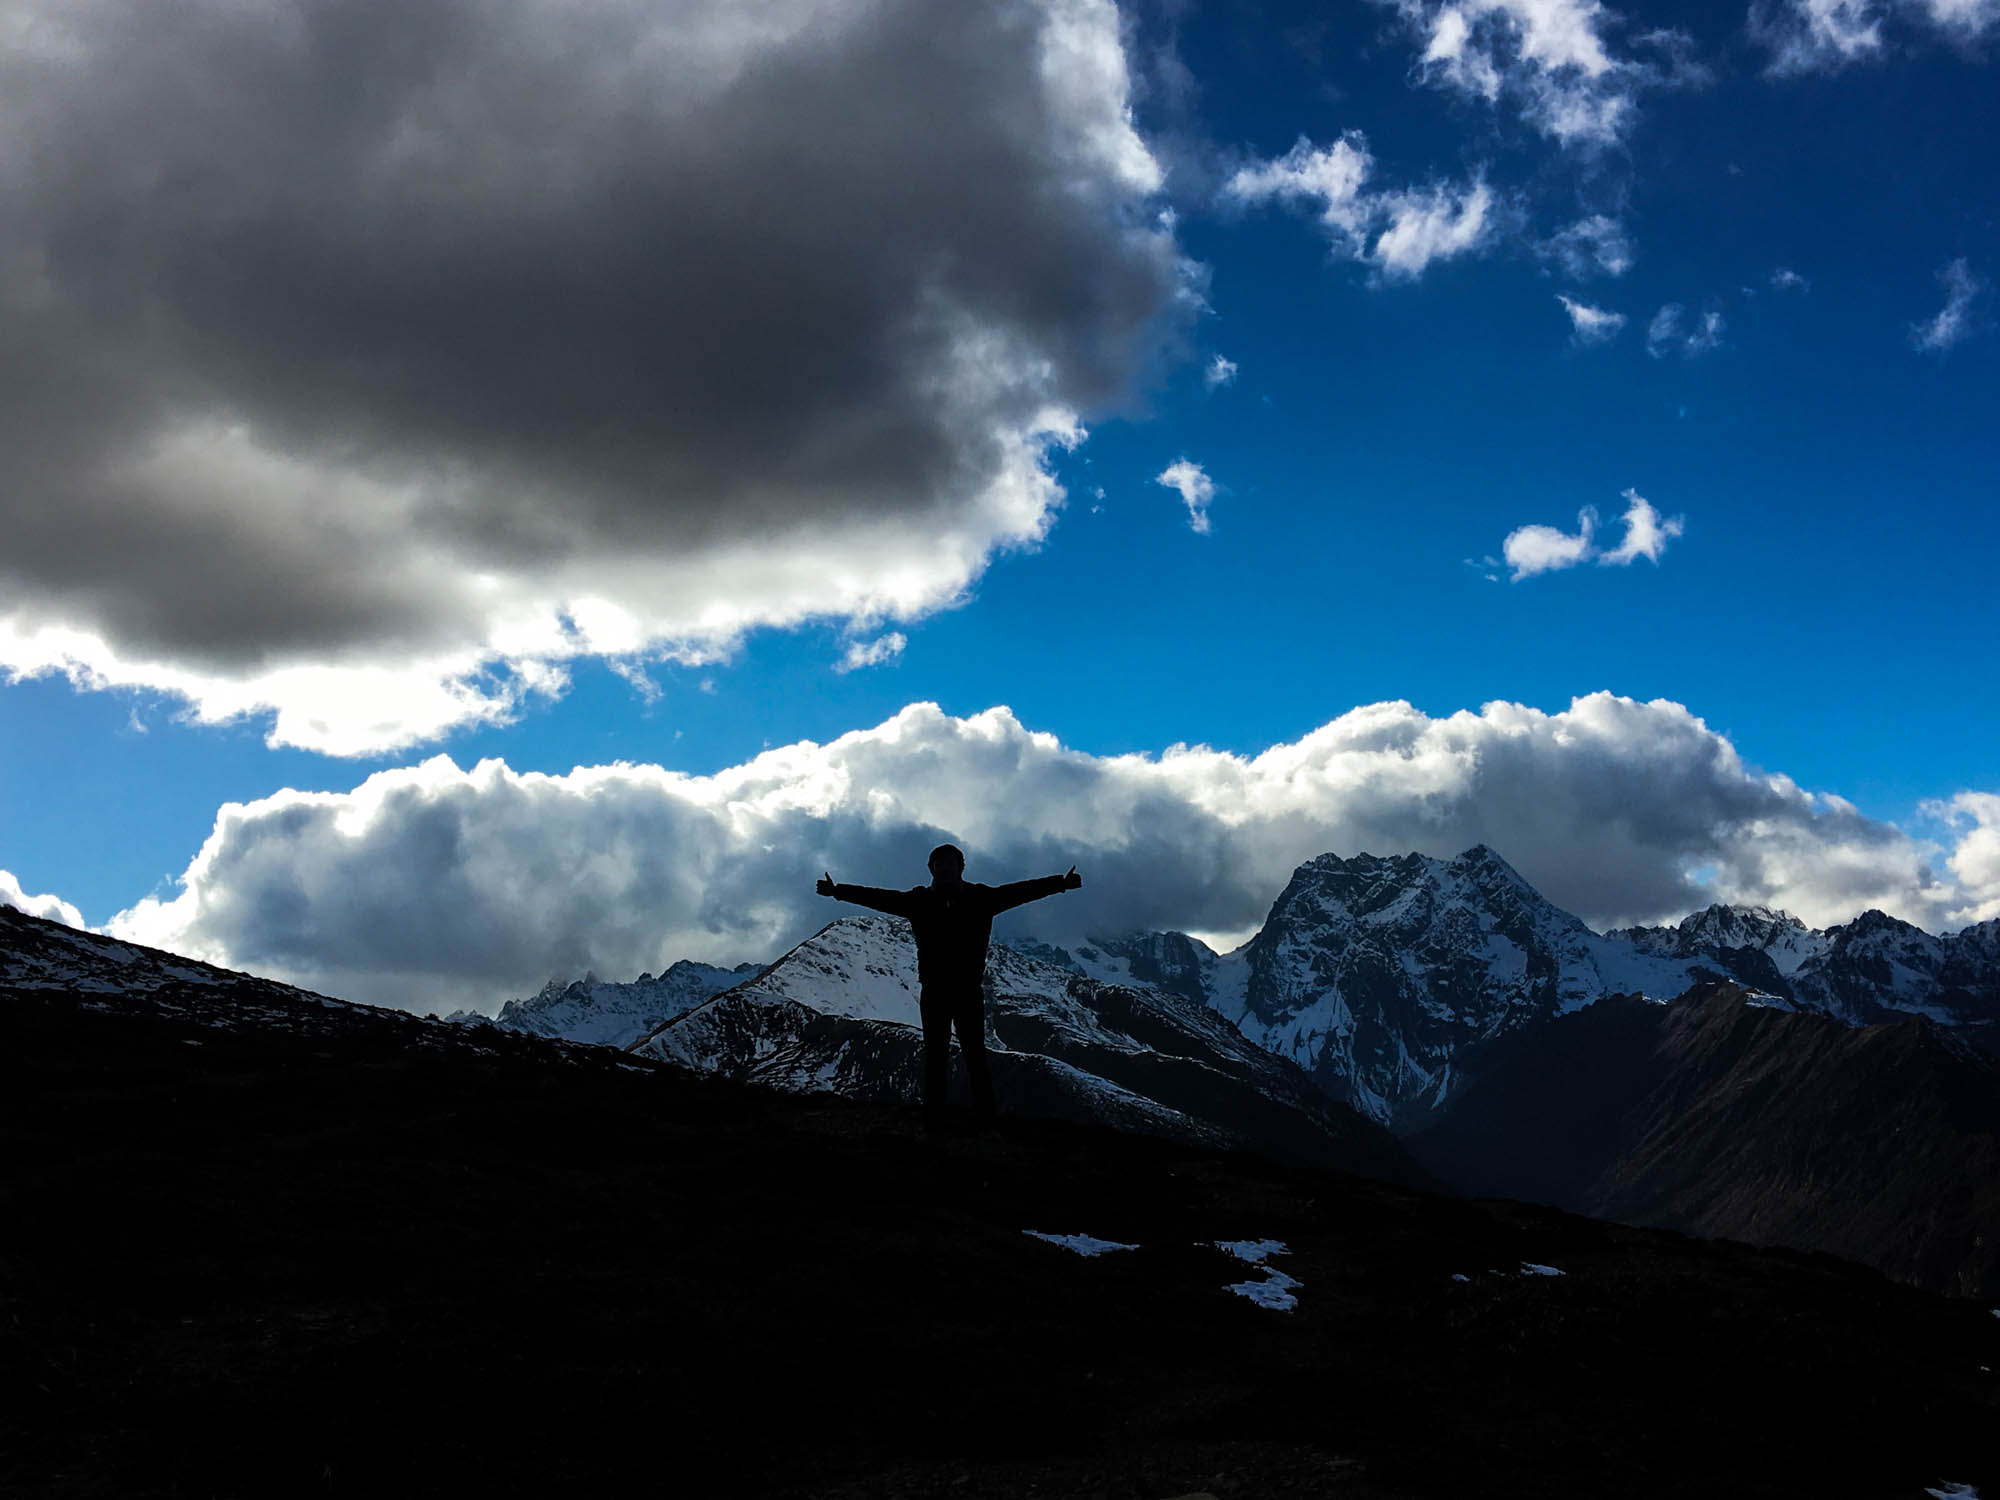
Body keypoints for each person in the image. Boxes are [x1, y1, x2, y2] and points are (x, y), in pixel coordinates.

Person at [817, 845, 1080, 1129]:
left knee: (975, 1055)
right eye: (939, 864)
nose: (944, 868)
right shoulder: (919, 901)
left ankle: (982, 1117)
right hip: (935, 991)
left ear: (960, 868)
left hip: (967, 991)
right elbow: (879, 898)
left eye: (949, 864)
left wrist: (1059, 884)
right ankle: (937, 1117)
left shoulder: (981, 897)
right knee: (937, 1055)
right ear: (931, 869)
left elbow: (1020, 892)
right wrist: (838, 891)